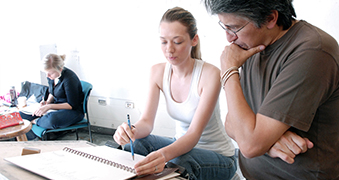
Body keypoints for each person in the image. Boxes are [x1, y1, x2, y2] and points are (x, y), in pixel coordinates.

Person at [203, 0, 339, 179]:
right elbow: (230, 122)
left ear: (270, 18)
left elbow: (249, 145)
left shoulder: (312, 51)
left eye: (234, 28)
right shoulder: (252, 46)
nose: (229, 38)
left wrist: (229, 71)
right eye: (225, 27)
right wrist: (267, 142)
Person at [113, 7, 237, 180]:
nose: (169, 49)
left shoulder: (210, 74)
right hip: (181, 146)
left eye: (177, 42)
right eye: (164, 42)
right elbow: (146, 123)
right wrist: (130, 131)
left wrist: (163, 155)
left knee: (181, 160)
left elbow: (193, 135)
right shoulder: (157, 72)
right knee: (137, 143)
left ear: (194, 40)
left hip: (219, 156)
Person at [20, 53, 84, 140]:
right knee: (21, 115)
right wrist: (46, 102)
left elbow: (71, 105)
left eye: (50, 73)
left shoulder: (70, 79)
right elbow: (52, 92)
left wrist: (49, 106)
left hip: (72, 111)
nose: (47, 76)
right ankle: (29, 138)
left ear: (60, 69)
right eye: (46, 73)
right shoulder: (52, 76)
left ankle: (35, 122)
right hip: (56, 107)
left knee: (51, 120)